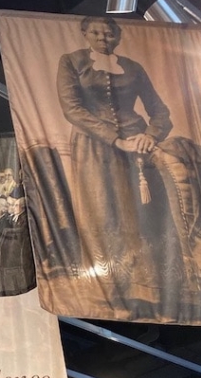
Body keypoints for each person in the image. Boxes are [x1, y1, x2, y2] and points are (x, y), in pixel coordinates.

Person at [57, 15, 175, 310]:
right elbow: (72, 109)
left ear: (118, 37)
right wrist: (115, 139)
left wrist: (150, 135)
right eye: (96, 33)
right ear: (85, 34)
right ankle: (113, 288)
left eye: (109, 34)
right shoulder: (71, 62)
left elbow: (160, 111)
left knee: (144, 211)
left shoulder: (133, 68)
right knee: (104, 211)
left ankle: (153, 284)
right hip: (93, 147)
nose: (103, 39)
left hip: (137, 148)